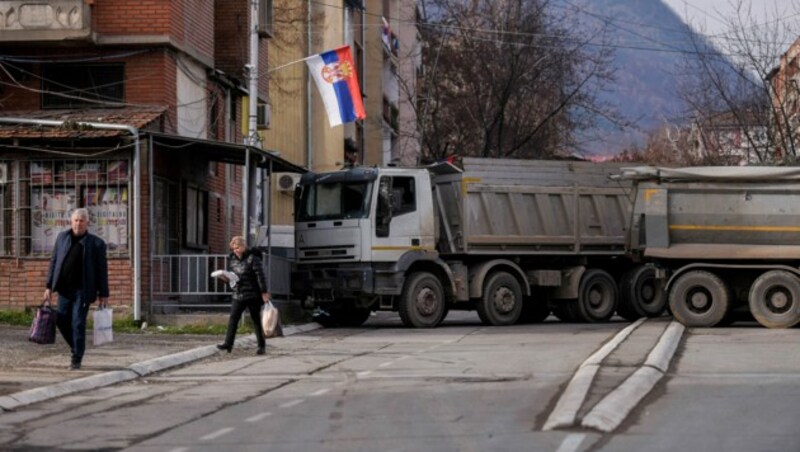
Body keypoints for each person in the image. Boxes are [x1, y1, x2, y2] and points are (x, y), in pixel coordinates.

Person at [44, 208, 109, 370]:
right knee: (61, 319)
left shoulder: (96, 244)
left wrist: (104, 294)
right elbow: (54, 262)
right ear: (71, 221)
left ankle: (76, 358)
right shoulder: (62, 238)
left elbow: (102, 270)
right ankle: (76, 346)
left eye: (81, 220)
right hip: (64, 289)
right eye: (75, 220)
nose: (78, 224)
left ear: (87, 223)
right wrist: (48, 286)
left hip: (83, 290)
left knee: (78, 323)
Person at [217, 236, 270, 355]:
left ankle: (261, 346)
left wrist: (264, 292)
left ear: (244, 246)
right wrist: (225, 278)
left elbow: (260, 276)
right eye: (233, 248)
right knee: (233, 318)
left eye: (238, 248)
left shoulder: (253, 258)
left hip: (252, 294)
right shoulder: (232, 259)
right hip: (238, 293)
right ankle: (228, 344)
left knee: (256, 320)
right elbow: (233, 276)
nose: (235, 250)